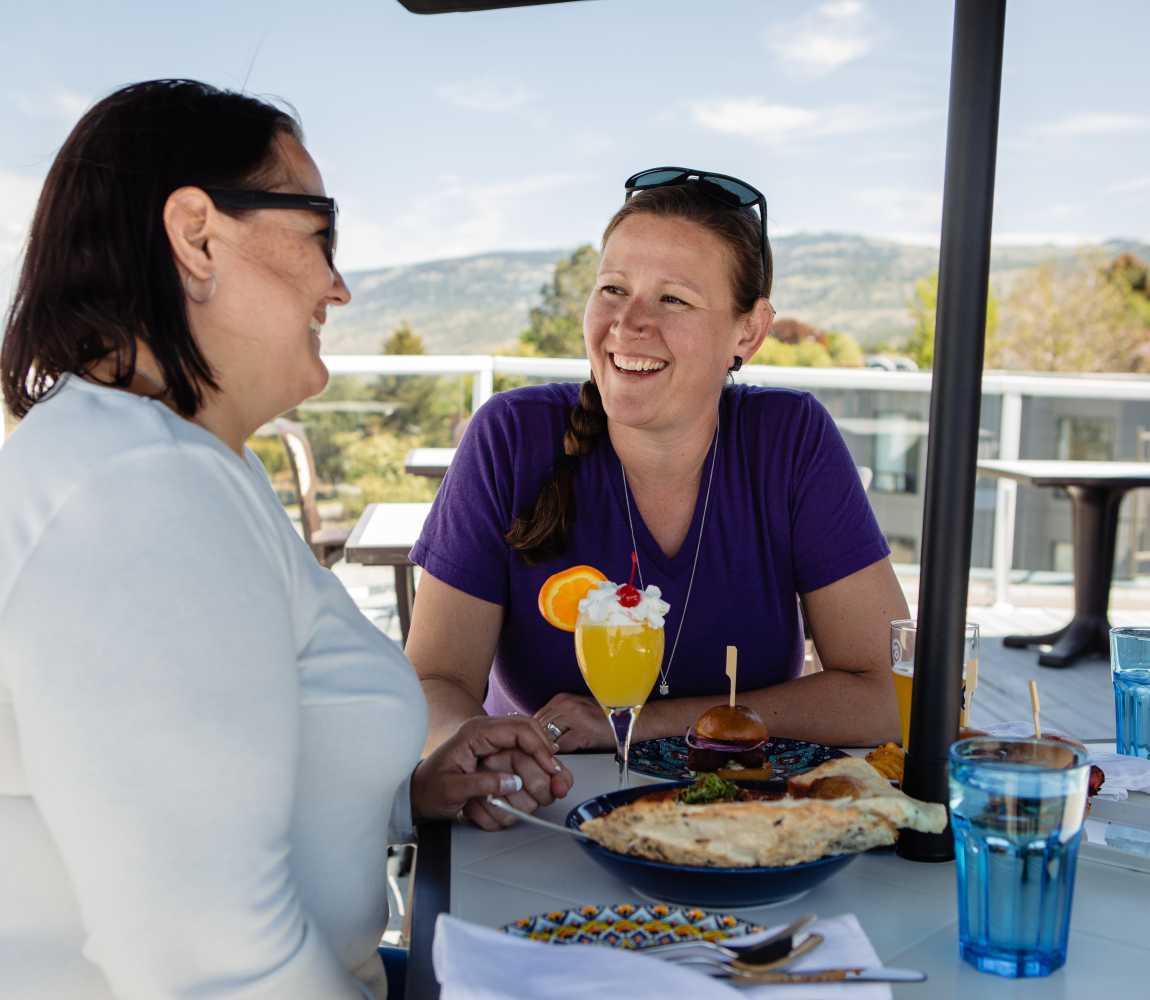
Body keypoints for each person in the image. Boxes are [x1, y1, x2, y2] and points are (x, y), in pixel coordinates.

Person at [0, 79, 569, 1000]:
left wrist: (407, 788)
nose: (337, 285)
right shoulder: (140, 493)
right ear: (196, 234)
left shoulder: (171, 467)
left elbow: (204, 775)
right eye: (320, 232)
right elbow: (204, 956)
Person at [407, 168, 906, 817]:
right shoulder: (510, 436)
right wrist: (473, 745)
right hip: (543, 816)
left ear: (747, 333)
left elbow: (888, 694)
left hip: (746, 819)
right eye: (612, 288)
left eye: (673, 299)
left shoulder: (790, 439)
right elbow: (433, 681)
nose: (628, 323)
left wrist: (647, 722)